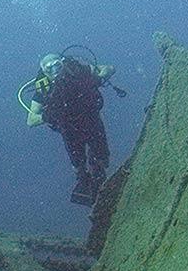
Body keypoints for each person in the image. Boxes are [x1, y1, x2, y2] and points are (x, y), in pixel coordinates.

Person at [23, 48, 119, 205]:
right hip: (69, 129)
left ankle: (98, 176)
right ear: (43, 70)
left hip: (91, 119)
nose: (54, 70)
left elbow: (109, 68)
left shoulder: (77, 71)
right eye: (48, 68)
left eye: (57, 65)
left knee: (102, 158)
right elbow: (31, 120)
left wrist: (99, 77)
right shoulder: (44, 86)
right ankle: (85, 182)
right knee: (78, 164)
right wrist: (49, 116)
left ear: (62, 63)